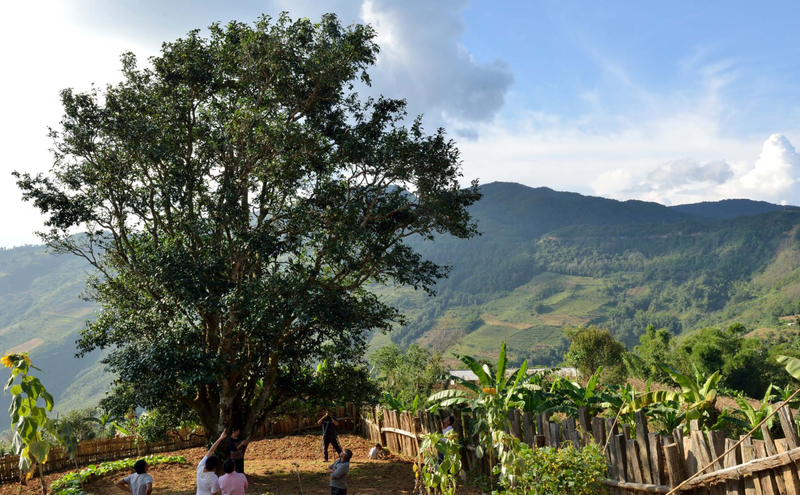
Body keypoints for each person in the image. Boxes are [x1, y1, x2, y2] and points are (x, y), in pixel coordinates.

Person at [197, 431, 226, 495]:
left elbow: (210, 451)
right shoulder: (214, 478)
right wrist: (221, 438)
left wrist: (220, 438)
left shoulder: (200, 466)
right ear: (214, 467)